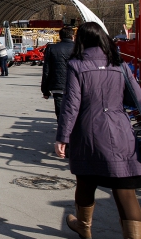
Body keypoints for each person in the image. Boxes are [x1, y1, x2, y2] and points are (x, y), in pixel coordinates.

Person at [55, 22, 141, 238]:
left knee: (85, 182)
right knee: (125, 189)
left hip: (87, 133)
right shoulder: (119, 64)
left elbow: (71, 104)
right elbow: (137, 98)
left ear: (81, 40)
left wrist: (62, 137)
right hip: (121, 131)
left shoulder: (77, 65)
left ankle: (84, 227)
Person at [41, 26, 75, 118]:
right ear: (73, 36)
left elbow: (46, 70)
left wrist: (45, 90)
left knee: (60, 113)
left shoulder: (51, 48)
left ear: (60, 37)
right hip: (75, 85)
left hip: (58, 85)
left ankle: (61, 128)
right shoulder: (79, 48)